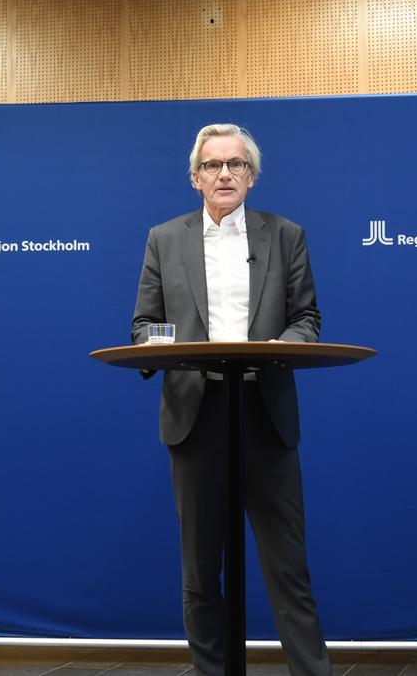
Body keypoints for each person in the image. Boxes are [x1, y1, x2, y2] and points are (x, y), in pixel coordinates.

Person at [131, 124, 329, 676]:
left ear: (252, 176)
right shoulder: (164, 238)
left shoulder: (285, 235)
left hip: (264, 411)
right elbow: (145, 324)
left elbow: (306, 318)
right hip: (196, 415)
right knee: (200, 572)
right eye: (213, 165)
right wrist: (164, 348)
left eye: (236, 164)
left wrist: (283, 347)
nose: (225, 174)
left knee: (288, 568)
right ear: (195, 178)